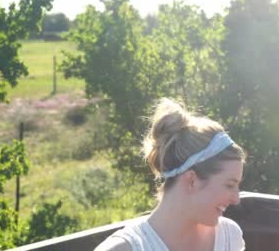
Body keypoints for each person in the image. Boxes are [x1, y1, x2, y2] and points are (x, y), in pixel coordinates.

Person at [95, 98, 246, 251]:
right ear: (192, 180)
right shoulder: (123, 248)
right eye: (230, 185)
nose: (236, 199)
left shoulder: (230, 237)